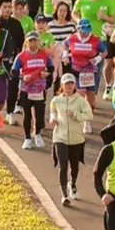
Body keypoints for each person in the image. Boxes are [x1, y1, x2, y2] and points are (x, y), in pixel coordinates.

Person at [45, 73, 92, 206]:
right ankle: (64, 194)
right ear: (62, 86)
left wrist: (75, 115)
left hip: (77, 138)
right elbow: (53, 111)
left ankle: (73, 184)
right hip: (60, 137)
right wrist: (52, 119)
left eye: (71, 84)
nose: (69, 87)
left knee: (75, 166)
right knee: (63, 165)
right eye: (66, 84)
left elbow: (89, 115)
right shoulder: (56, 100)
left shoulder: (81, 101)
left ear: (74, 85)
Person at [13, 31, 54, 149]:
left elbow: (51, 68)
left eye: (35, 40)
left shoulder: (44, 55)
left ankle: (37, 133)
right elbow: (14, 72)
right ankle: (27, 138)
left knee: (40, 114)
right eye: (30, 41)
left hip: (39, 89)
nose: (33, 43)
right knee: (27, 115)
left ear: (38, 41)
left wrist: (46, 73)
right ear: (27, 42)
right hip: (26, 89)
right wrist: (22, 77)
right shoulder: (21, 56)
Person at [62, 17, 104, 107]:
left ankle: (88, 114)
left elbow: (105, 52)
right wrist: (65, 55)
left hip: (91, 72)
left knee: (90, 101)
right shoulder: (72, 38)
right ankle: (81, 117)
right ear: (78, 29)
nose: (85, 33)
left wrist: (97, 59)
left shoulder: (96, 39)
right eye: (83, 31)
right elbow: (65, 45)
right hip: (77, 70)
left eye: (87, 31)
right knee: (80, 95)